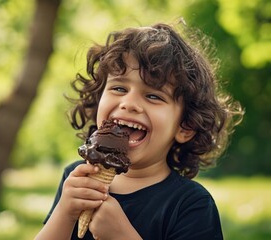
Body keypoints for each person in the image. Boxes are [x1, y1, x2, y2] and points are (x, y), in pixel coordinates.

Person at [35, 21, 244, 240]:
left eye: (153, 95)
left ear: (186, 126)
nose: (128, 103)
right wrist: (65, 213)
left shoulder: (191, 205)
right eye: (119, 88)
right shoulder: (78, 177)